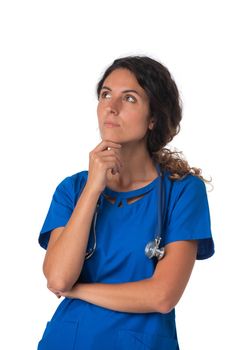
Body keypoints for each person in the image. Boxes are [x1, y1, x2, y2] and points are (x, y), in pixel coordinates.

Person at [37, 55, 215, 350]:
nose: (111, 106)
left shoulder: (182, 193)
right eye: (105, 94)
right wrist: (94, 188)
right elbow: (58, 277)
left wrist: (78, 290)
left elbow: (162, 296)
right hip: (67, 340)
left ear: (153, 119)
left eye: (129, 98)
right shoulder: (73, 189)